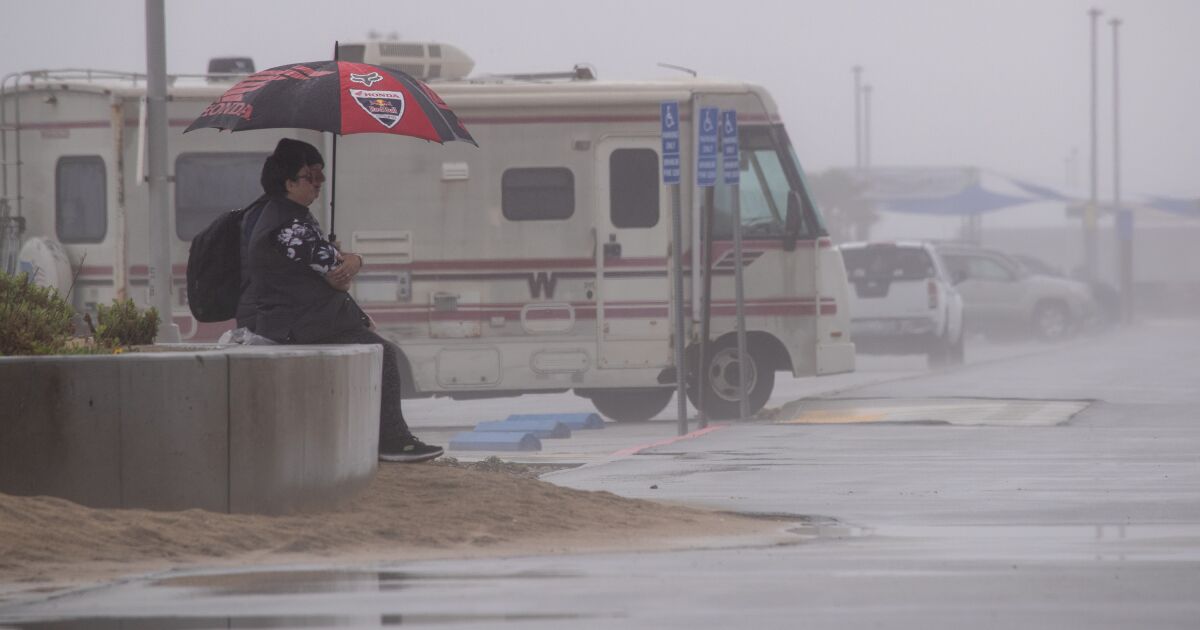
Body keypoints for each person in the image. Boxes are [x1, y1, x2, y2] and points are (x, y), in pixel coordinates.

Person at [241, 138, 443, 463]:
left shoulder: (283, 215)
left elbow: (332, 269)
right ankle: (393, 442)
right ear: (288, 182)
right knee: (384, 353)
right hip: (300, 323)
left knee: (376, 349)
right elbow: (336, 270)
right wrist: (352, 258)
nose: (319, 184)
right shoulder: (289, 225)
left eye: (322, 176)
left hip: (298, 319)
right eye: (311, 177)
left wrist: (342, 258)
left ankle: (387, 438)